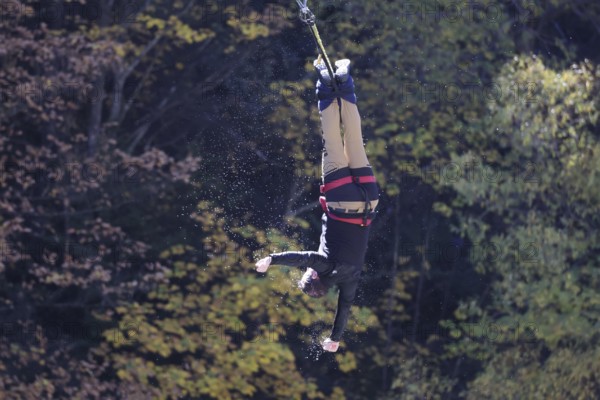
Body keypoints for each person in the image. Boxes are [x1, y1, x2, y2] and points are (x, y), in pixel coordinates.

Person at [255, 56, 379, 352]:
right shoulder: (323, 265)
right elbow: (303, 256)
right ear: (312, 276)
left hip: (369, 200)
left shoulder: (348, 278)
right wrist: (271, 260)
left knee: (355, 138)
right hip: (341, 199)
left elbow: (344, 308)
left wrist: (336, 338)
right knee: (332, 140)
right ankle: (325, 82)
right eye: (306, 274)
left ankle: (345, 82)